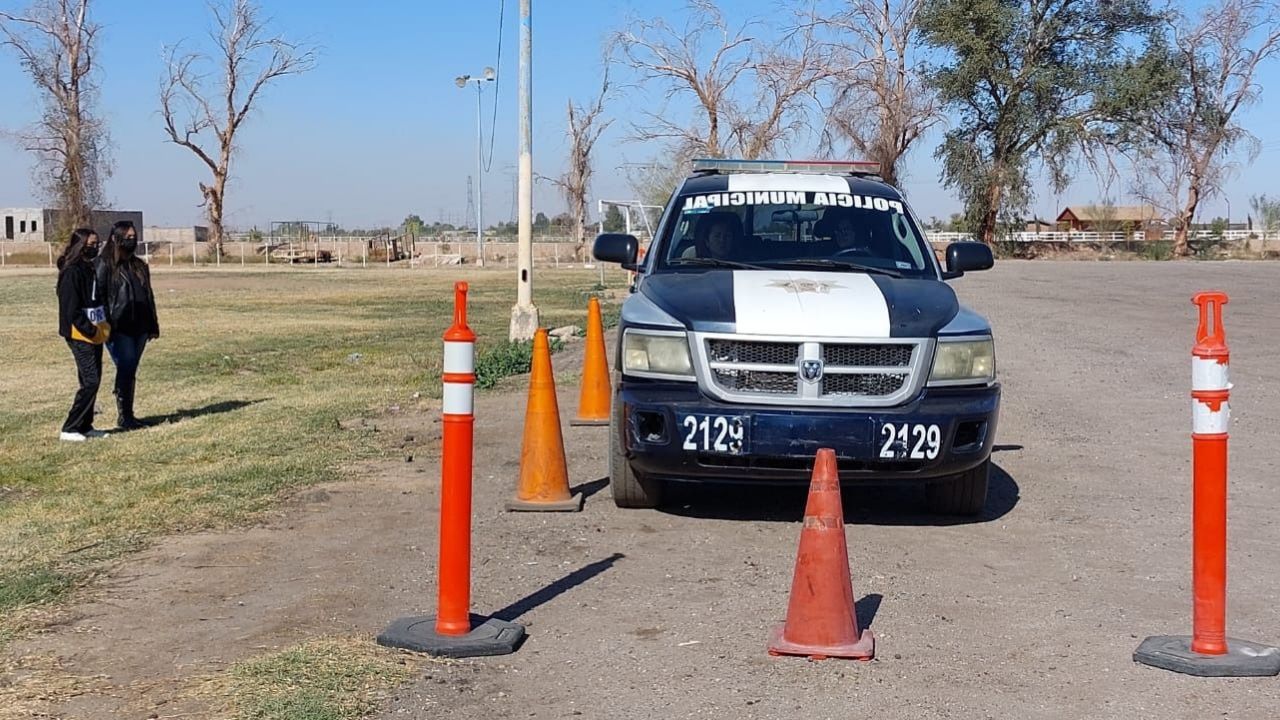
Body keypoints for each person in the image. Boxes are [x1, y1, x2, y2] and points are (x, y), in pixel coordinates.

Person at [97, 220, 160, 430]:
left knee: (130, 368)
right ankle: (125, 416)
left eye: (134, 237)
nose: (132, 241)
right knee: (126, 365)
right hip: (118, 327)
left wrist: (153, 325)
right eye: (128, 237)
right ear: (116, 238)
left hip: (140, 327)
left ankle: (129, 414)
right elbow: (100, 298)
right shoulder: (104, 265)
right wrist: (106, 326)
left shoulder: (140, 266)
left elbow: (149, 296)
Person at [56, 228, 110, 441]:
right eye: (91, 244)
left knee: (92, 380)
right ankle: (70, 428)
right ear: (80, 245)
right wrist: (89, 330)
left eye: (97, 243)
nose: (95, 247)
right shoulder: (71, 272)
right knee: (90, 380)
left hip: (95, 332)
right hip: (80, 334)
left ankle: (85, 425)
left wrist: (103, 326)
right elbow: (71, 310)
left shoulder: (90, 268)